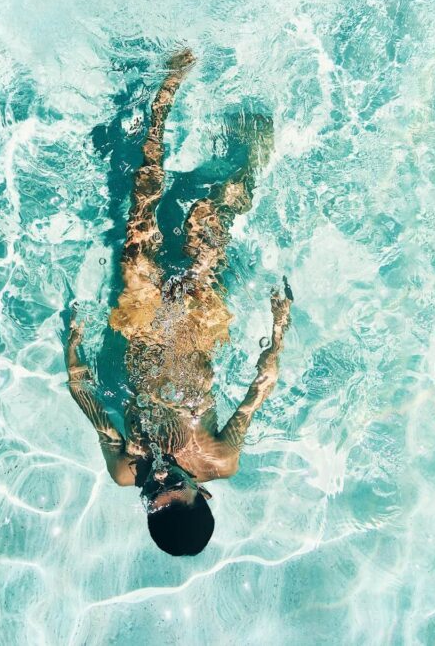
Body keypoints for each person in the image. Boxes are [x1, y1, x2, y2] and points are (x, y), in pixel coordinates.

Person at [64, 49, 292, 556]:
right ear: (201, 491)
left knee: (138, 222)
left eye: (152, 498)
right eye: (176, 490)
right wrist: (279, 331)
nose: (158, 481)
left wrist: (73, 348)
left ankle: (163, 102)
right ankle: (251, 151)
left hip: (141, 326)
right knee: (210, 217)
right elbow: (259, 390)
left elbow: (89, 403)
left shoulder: (127, 470)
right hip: (195, 326)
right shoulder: (219, 457)